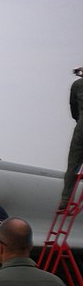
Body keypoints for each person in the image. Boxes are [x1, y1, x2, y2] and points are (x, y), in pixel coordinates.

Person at [59, 66, 83, 208]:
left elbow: (73, 107)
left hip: (81, 126)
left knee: (73, 165)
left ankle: (65, 200)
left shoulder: (77, 85)